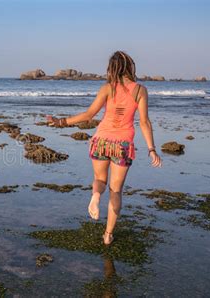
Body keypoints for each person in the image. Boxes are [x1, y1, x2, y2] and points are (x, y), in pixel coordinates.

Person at [46, 51, 162, 245]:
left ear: (112, 68)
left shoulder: (108, 88)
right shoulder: (140, 90)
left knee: (100, 179)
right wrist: (152, 149)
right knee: (116, 191)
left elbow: (88, 114)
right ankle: (108, 235)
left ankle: (96, 196)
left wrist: (60, 122)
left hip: (101, 141)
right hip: (123, 145)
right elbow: (144, 122)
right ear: (130, 67)